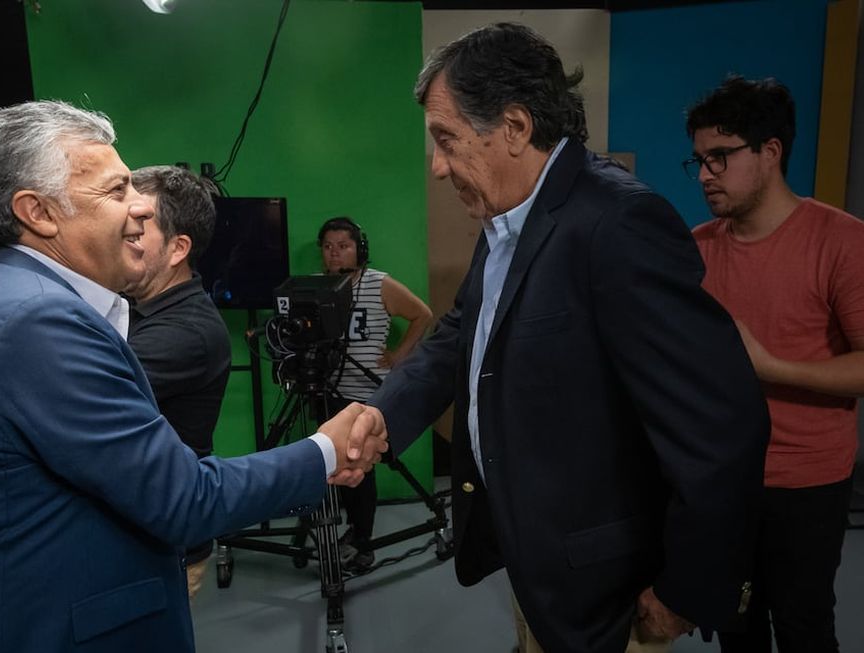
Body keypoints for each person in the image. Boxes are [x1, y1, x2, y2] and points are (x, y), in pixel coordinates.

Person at [346, 23, 770, 653]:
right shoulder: (505, 220)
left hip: (605, 589)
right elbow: (463, 331)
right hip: (536, 563)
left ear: (515, 128)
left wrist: (684, 589)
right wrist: (380, 413)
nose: (436, 168)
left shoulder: (618, 223)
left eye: (446, 140)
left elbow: (723, 426)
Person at [0, 100, 386, 653]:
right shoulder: (37, 320)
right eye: (116, 192)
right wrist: (324, 450)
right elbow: (184, 499)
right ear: (38, 213)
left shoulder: (16, 299)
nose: (140, 208)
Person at [686, 75, 864, 653]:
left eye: (720, 157)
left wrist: (768, 366)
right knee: (736, 627)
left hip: (806, 481)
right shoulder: (697, 247)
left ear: (769, 152)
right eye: (699, 161)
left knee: (803, 625)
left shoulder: (841, 241)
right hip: (722, 477)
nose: (707, 173)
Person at [122, 164, 231, 596]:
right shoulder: (136, 303)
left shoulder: (187, 332)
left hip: (164, 542)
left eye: (136, 234)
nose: (121, 242)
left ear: (177, 248)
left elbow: (75, 387)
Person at [317, 216, 432, 570]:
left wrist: (399, 356)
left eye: (344, 246)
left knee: (360, 470)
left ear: (359, 249)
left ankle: (362, 542)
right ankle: (347, 532)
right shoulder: (319, 287)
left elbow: (423, 315)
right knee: (336, 466)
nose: (335, 254)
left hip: (370, 393)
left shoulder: (378, 284)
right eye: (328, 247)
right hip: (331, 392)